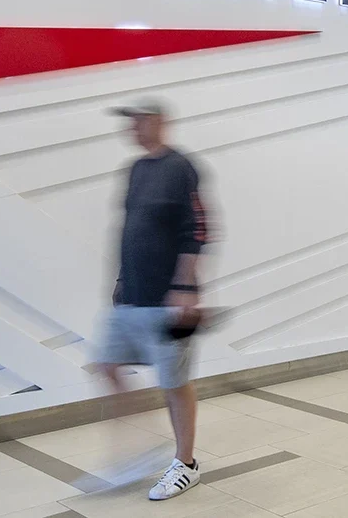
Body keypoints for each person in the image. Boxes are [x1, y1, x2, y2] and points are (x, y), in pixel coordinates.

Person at [92, 99, 210, 502]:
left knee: (174, 382)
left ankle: (186, 463)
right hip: (130, 296)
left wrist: (186, 289)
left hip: (168, 299)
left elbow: (198, 230)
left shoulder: (182, 167)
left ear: (160, 123)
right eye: (130, 123)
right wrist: (121, 281)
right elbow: (131, 229)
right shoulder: (136, 170)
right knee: (106, 365)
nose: (132, 129)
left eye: (139, 121)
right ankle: (140, 452)